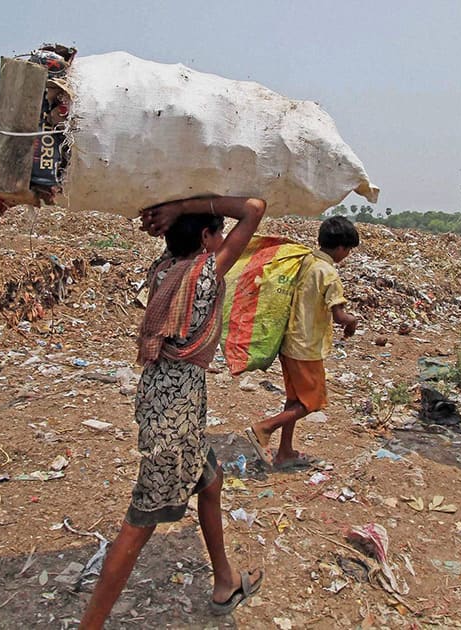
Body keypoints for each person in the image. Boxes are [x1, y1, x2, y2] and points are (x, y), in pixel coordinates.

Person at [80, 197, 266, 628]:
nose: (222, 239)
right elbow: (254, 208)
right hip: (175, 418)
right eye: (216, 232)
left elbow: (193, 233)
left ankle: (226, 581)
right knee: (140, 521)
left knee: (211, 481)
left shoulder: (164, 270)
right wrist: (185, 204)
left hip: (161, 398)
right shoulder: (204, 274)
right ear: (205, 237)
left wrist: (170, 217)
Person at [245, 215, 359, 470]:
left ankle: (285, 452)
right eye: (349, 250)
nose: (348, 254)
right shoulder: (328, 274)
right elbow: (340, 316)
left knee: (295, 400)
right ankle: (264, 428)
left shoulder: (306, 261)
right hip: (307, 348)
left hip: (289, 343)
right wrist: (352, 322)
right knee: (314, 402)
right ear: (341, 248)